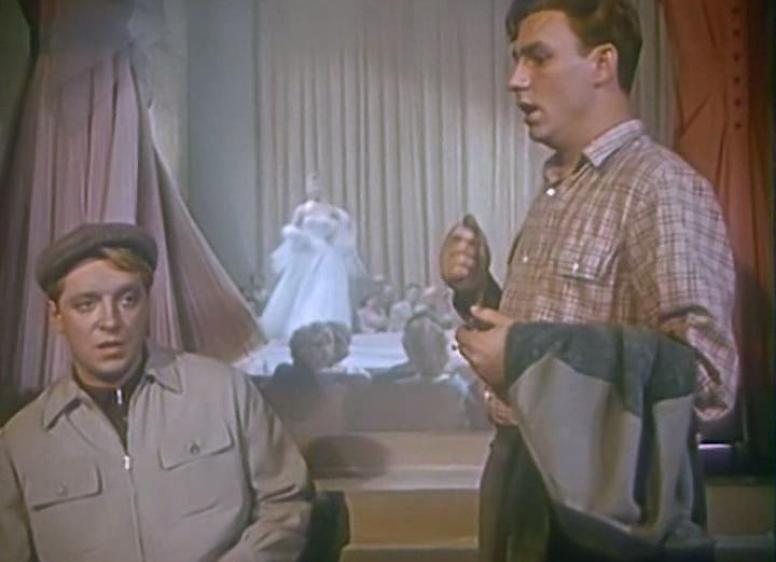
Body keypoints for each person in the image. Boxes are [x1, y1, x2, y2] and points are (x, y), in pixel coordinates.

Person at [439, 0, 737, 560]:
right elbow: (543, 338)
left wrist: (526, 353)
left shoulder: (660, 189)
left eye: (538, 58)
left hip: (605, 517)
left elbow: (706, 380)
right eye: (516, 59)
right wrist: (478, 291)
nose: (515, 80)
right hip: (524, 482)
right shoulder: (561, 190)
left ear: (602, 64)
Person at [0, 223, 312, 562]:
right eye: (86, 304)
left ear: (147, 304)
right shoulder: (21, 442)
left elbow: (285, 504)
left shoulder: (225, 393)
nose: (110, 321)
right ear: (57, 317)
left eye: (127, 300)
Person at [261, 173, 366, 341]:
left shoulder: (332, 211)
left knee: (326, 289)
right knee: (301, 288)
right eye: (311, 186)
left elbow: (344, 229)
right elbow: (292, 229)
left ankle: (327, 324)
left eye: (317, 185)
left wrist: (337, 237)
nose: (314, 189)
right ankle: (303, 326)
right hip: (307, 252)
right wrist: (298, 237)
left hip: (327, 253)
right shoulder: (302, 210)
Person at [263, 322, 349, 436]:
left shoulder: (338, 377)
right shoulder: (290, 376)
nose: (326, 349)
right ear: (301, 350)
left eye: (329, 342)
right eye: (318, 345)